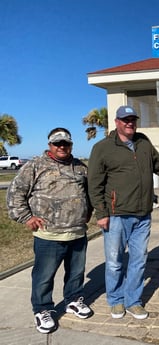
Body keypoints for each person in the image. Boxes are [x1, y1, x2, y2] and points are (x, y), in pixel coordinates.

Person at [88, 105, 159, 320]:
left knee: (138, 260)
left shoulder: (143, 142)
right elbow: (95, 184)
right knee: (115, 261)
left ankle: (133, 301)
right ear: (116, 122)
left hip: (143, 214)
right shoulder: (103, 148)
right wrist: (101, 213)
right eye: (125, 119)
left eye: (133, 119)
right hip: (116, 215)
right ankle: (116, 301)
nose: (130, 123)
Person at [7, 128, 93, 334]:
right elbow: (15, 192)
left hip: (77, 232)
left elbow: (89, 192)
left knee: (76, 273)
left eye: (66, 143)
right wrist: (26, 217)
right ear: (50, 145)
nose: (62, 146)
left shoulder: (80, 167)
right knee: (44, 276)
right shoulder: (35, 165)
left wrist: (88, 211)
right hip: (48, 235)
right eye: (57, 143)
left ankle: (73, 300)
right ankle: (43, 309)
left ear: (71, 144)